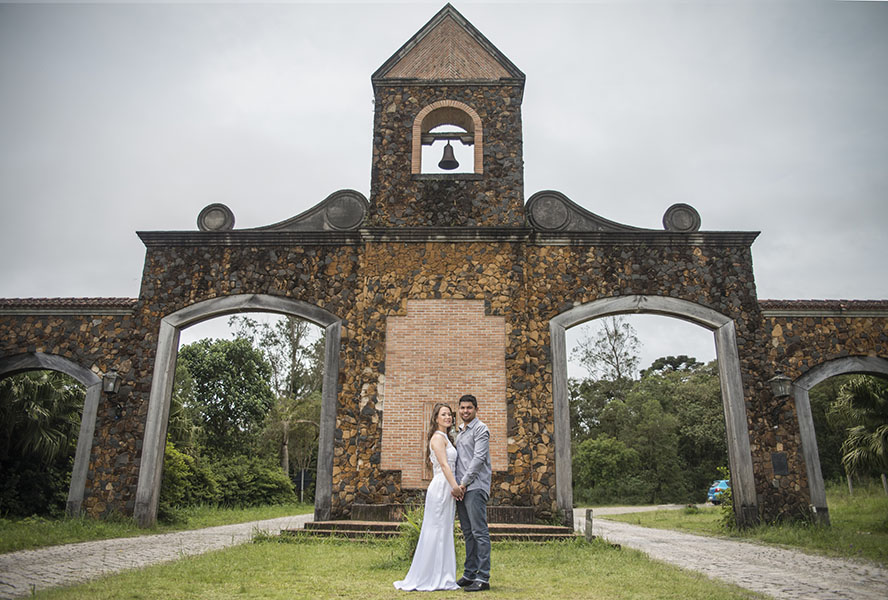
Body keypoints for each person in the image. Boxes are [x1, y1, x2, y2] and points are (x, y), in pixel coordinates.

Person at [394, 403, 462, 591]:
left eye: (449, 414)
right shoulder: (437, 439)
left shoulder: (447, 437)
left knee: (444, 530)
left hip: (447, 486)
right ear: (436, 418)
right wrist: (456, 487)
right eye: (443, 414)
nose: (448, 417)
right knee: (436, 530)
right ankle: (431, 576)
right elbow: (445, 465)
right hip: (442, 487)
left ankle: (443, 574)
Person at [453, 394, 492, 592]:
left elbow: (478, 459)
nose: (465, 411)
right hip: (462, 488)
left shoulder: (481, 429)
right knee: (468, 533)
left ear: (476, 409)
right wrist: (457, 485)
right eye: (462, 408)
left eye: (469, 408)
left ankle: (483, 577)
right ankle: (469, 574)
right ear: (458, 410)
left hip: (475, 487)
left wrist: (464, 483)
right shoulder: (460, 432)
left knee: (479, 532)